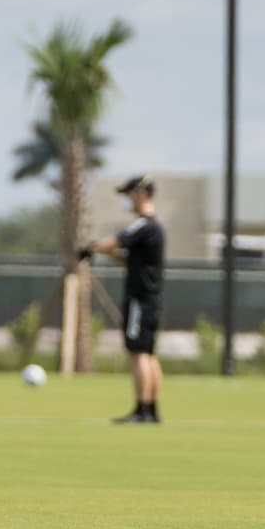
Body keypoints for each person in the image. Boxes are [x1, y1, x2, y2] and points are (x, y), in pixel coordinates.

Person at [80, 174, 165, 424]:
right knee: (148, 354)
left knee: (138, 352)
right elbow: (128, 257)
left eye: (130, 194)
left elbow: (116, 241)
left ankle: (142, 410)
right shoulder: (155, 230)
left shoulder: (144, 225)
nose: (128, 200)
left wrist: (90, 248)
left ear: (141, 194)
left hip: (140, 299)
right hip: (152, 298)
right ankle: (151, 410)